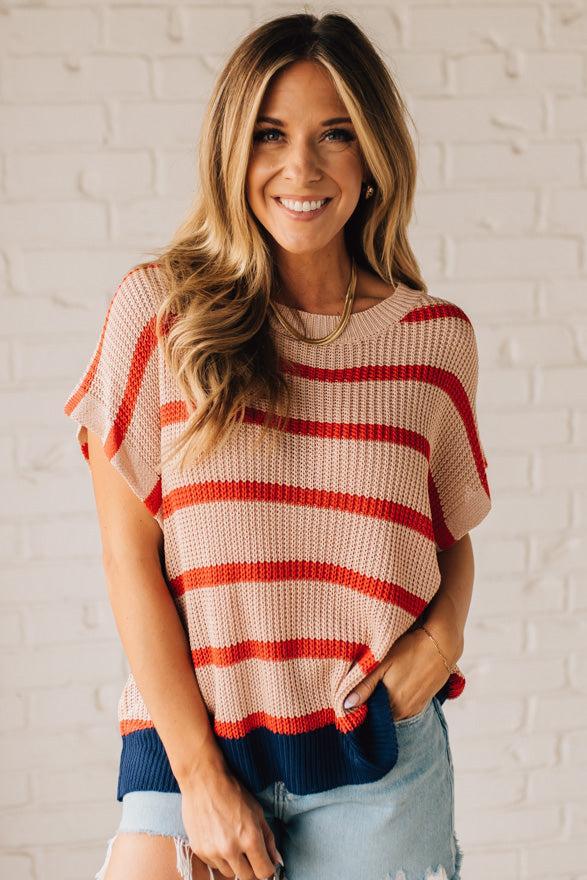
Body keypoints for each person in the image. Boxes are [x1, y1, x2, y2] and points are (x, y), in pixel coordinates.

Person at [63, 12, 492, 880]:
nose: (301, 168)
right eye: (270, 134)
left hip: (375, 763)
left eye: (335, 135)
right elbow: (126, 560)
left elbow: (446, 538)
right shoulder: (156, 314)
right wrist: (200, 781)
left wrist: (440, 643)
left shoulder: (430, 339)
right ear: (232, 149)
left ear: (372, 157)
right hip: (191, 747)